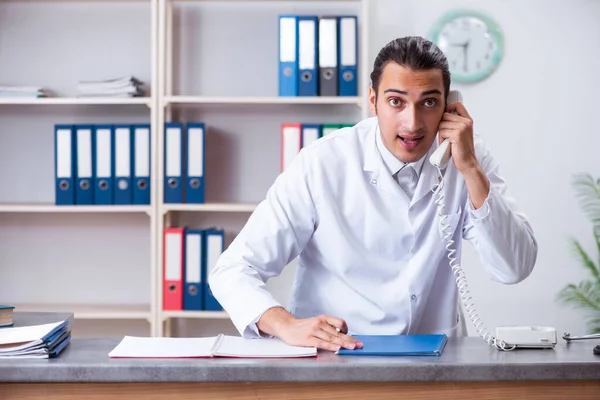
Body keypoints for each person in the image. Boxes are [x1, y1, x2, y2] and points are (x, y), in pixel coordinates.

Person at [208, 36, 538, 353]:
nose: (413, 122)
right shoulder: (323, 162)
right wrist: (283, 323)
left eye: (429, 102)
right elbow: (234, 269)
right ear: (372, 101)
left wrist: (470, 170)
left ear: (450, 106)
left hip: (435, 364)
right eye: (396, 101)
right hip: (334, 358)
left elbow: (514, 267)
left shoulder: (468, 156)